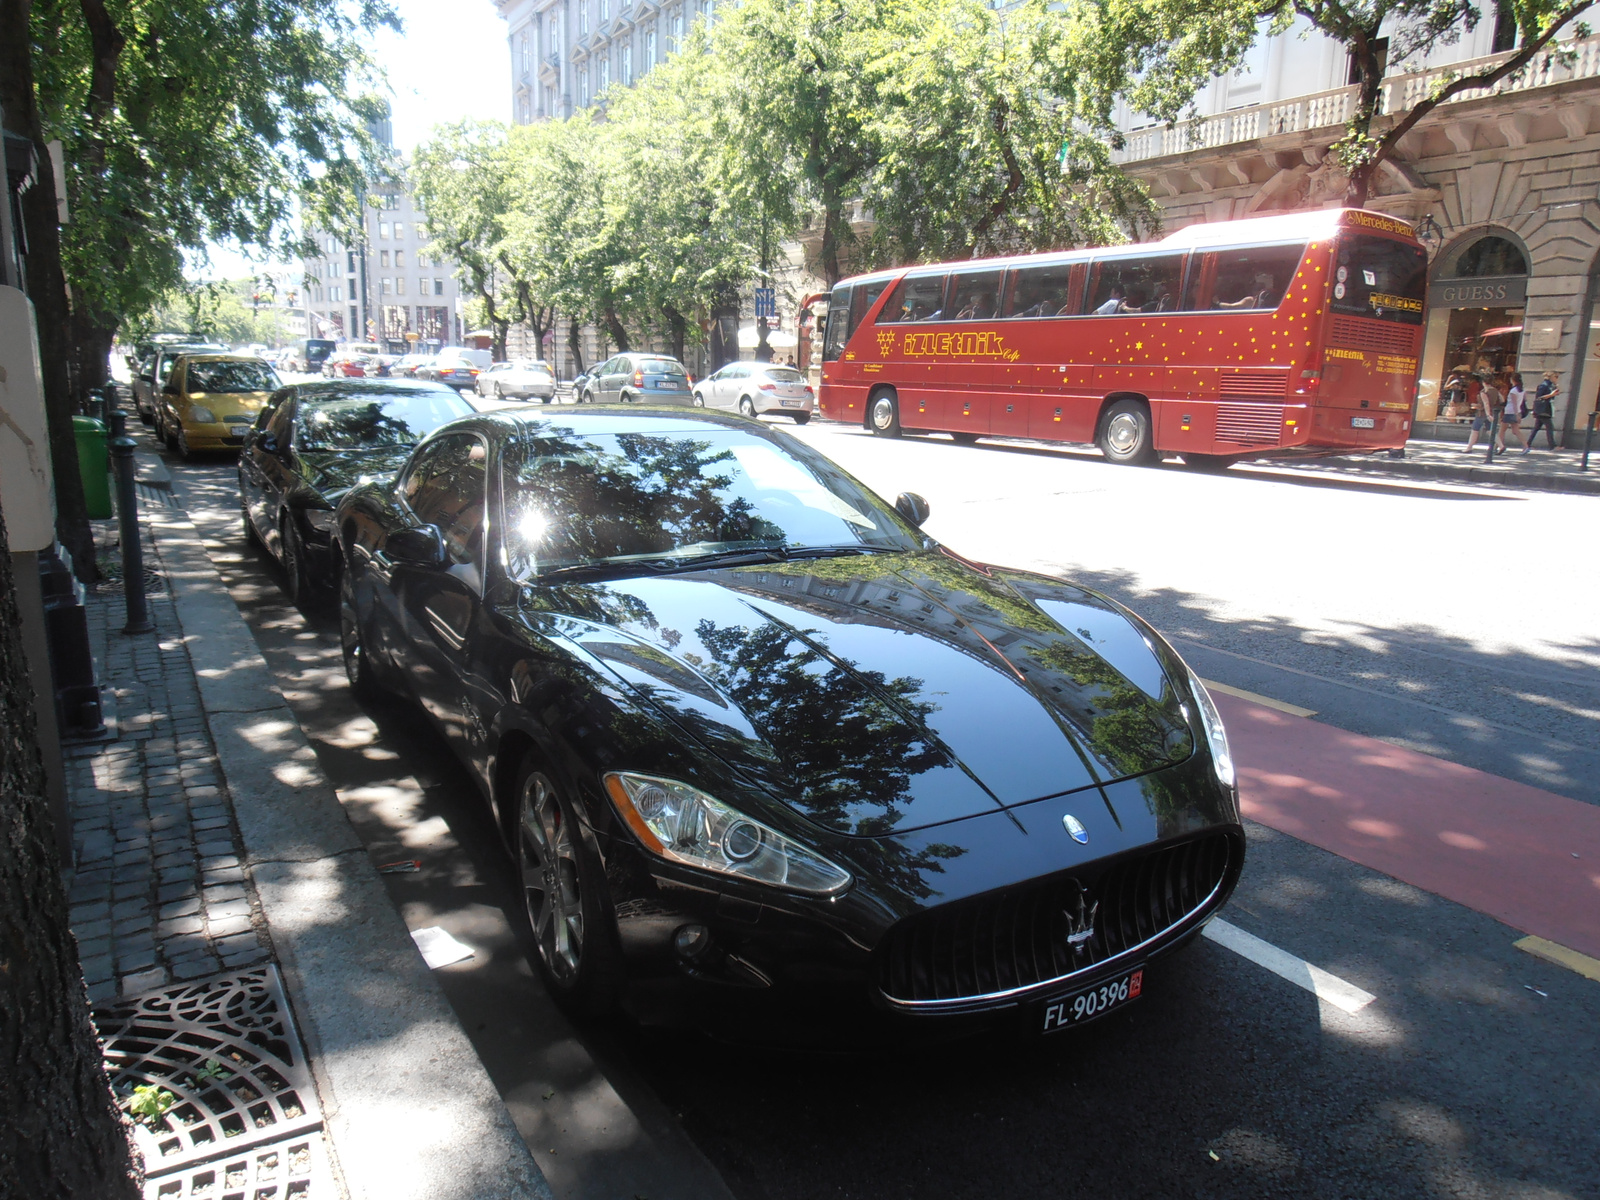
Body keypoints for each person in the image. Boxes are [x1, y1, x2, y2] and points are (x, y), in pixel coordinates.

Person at [1525, 370, 1559, 451]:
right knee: (1549, 427)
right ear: (1551, 377)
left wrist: (1554, 391)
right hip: (1543, 409)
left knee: (1536, 428)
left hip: (1545, 409)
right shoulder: (1543, 385)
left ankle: (1527, 444)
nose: (1557, 379)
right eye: (1556, 377)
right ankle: (1552, 446)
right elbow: (1539, 397)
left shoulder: (1550, 385)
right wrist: (1551, 394)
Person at [1464, 373, 1496, 452]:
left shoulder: (1484, 391)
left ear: (1483, 382)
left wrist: (1487, 413)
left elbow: (1486, 403)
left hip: (1482, 413)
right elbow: (1501, 400)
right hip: (1491, 412)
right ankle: (1501, 446)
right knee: (1490, 431)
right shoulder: (1495, 391)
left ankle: (1469, 447)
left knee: (1475, 430)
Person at [1497, 371, 1526, 453]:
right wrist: (1518, 414)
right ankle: (1526, 446)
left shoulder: (1513, 391)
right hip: (1516, 412)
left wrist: (1516, 414)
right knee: (1516, 430)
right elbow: (1523, 401)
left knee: (1502, 430)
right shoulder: (1522, 390)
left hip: (1509, 412)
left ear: (1513, 380)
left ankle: (1499, 446)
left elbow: (1514, 403)